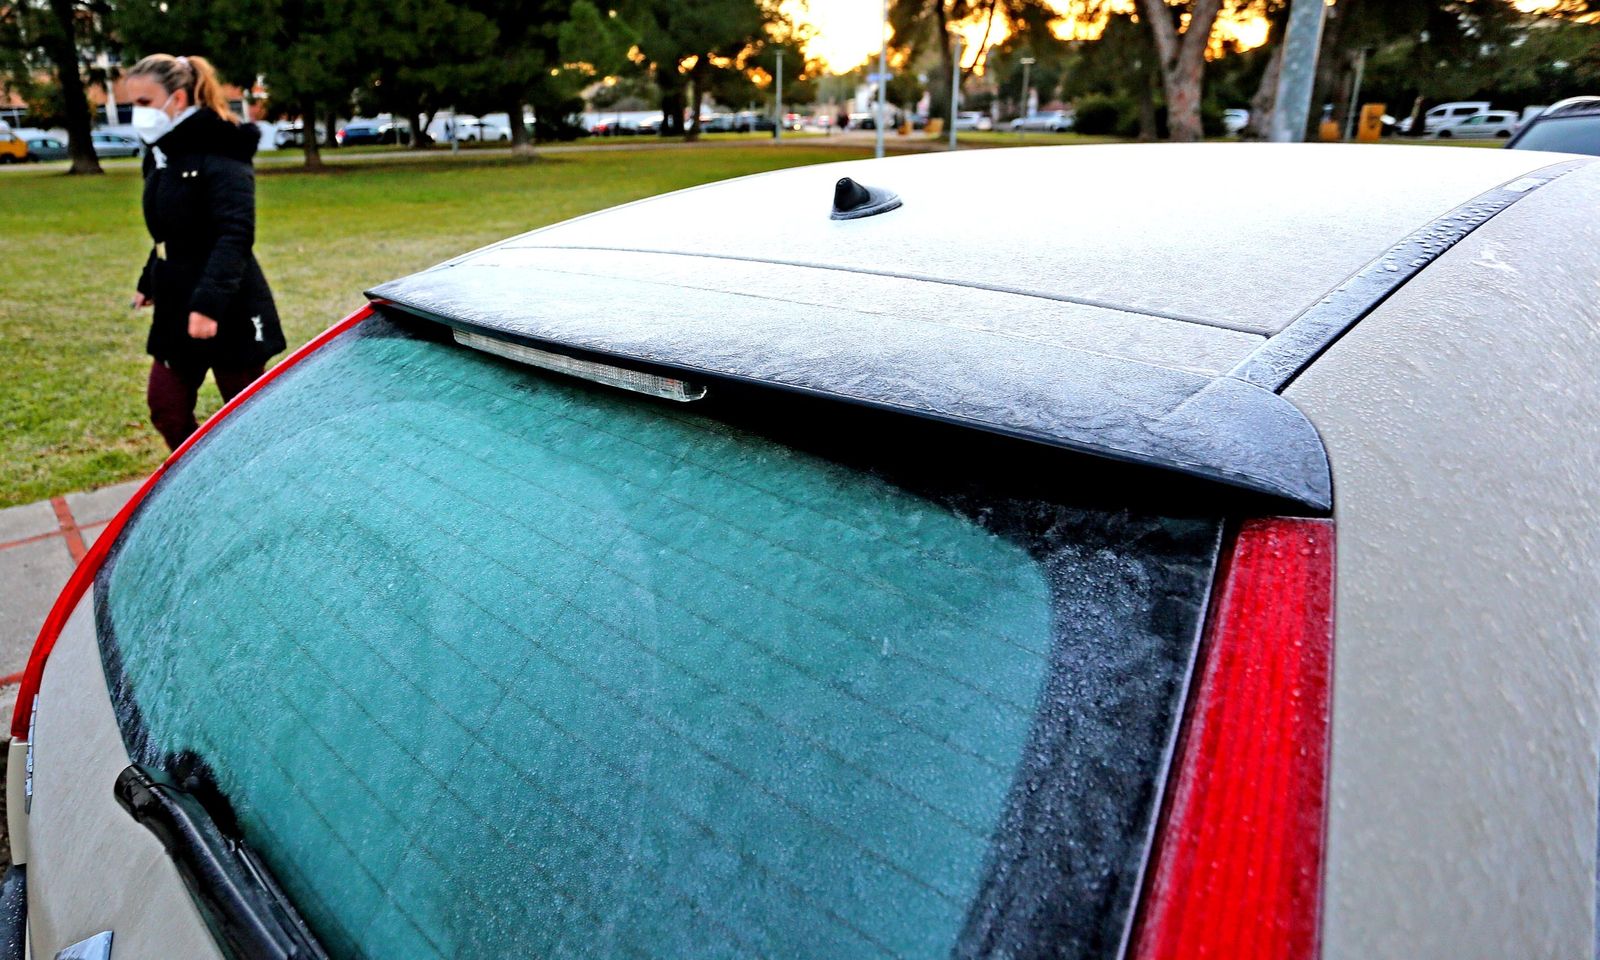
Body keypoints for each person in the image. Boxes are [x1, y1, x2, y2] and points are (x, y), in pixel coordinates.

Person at [125, 54, 284, 450]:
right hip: (176, 301)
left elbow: (235, 234)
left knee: (247, 416)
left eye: (144, 102)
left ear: (177, 99)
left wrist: (208, 306)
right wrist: (149, 281)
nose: (137, 113)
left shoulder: (223, 150)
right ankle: (202, 476)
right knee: (167, 408)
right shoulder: (161, 154)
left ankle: (260, 476)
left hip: (228, 304)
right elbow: (167, 231)